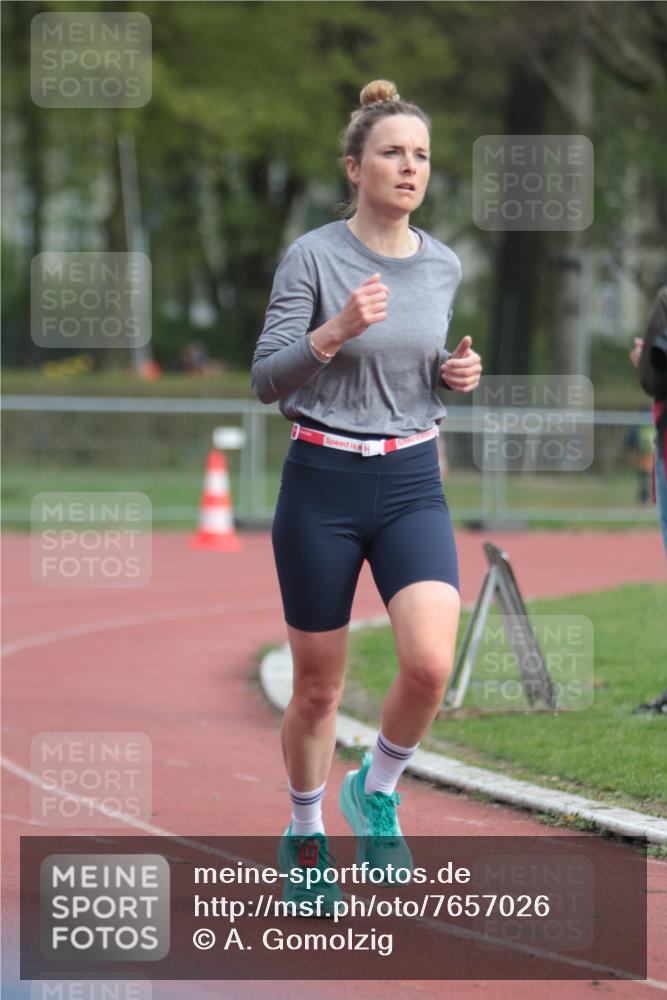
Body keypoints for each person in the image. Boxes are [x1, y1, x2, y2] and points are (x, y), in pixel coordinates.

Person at [251, 79, 482, 913]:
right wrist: (333, 330)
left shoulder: (443, 263)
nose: (408, 166)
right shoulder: (312, 258)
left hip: (412, 480)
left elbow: (417, 373)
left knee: (428, 664)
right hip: (322, 483)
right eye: (391, 152)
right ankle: (305, 834)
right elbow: (266, 379)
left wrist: (453, 375)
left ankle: (376, 788)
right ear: (354, 167)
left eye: (420, 155)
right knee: (317, 687)